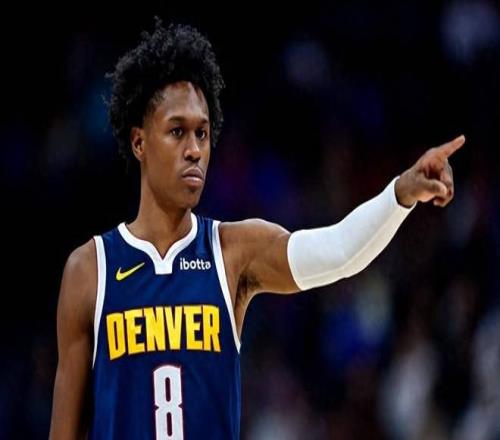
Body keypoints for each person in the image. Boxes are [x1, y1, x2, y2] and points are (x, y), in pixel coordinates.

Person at [49, 19, 464, 440]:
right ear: (139, 142)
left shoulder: (232, 251)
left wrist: (400, 194)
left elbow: (340, 251)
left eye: (202, 133)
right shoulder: (90, 270)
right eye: (177, 132)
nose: (194, 150)